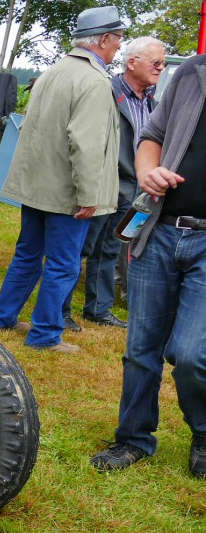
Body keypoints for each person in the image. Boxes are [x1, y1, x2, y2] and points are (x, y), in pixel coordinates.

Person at [90, 52, 206, 476]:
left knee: (192, 355)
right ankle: (133, 438)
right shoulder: (193, 71)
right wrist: (147, 171)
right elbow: (151, 136)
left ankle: (204, 433)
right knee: (141, 349)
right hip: (159, 230)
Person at [0, 6, 125, 353]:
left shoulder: (52, 72)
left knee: (27, 254)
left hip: (37, 186)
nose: (119, 47)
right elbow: (87, 143)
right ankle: (45, 334)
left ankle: (2, 318)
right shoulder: (93, 80)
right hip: (67, 190)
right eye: (118, 38)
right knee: (64, 264)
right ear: (104, 39)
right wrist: (89, 193)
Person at [63, 36, 164, 331]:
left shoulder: (152, 101)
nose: (160, 68)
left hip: (135, 188)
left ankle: (98, 309)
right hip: (107, 182)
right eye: (155, 62)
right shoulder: (106, 91)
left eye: (163, 63)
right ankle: (61, 311)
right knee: (81, 248)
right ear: (132, 63)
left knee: (112, 248)